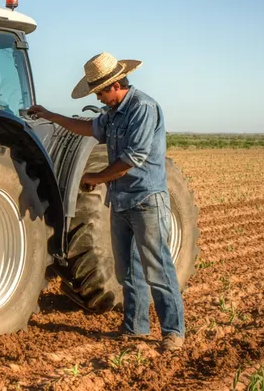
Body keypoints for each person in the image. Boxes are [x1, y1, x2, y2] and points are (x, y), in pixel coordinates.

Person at [28, 51, 185, 352]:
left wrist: (95, 178)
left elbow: (132, 159)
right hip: (121, 200)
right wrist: (51, 116)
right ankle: (135, 327)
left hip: (146, 200)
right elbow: (88, 128)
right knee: (126, 270)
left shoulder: (143, 108)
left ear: (115, 85)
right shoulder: (112, 114)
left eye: (99, 91)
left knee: (157, 266)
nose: (98, 98)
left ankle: (173, 331)